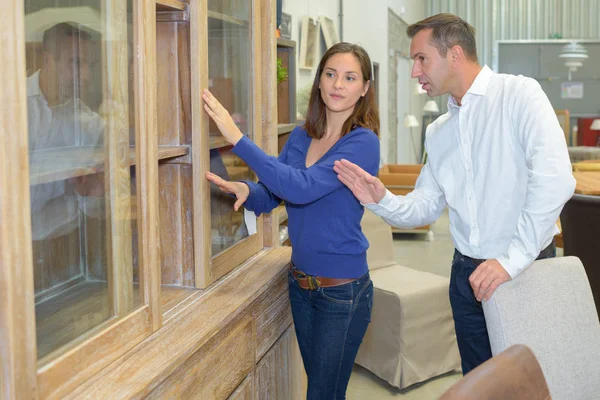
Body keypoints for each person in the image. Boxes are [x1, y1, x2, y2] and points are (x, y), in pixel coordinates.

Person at [333, 13, 576, 375]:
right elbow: (426, 205)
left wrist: (509, 261)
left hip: (523, 269)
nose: (415, 71)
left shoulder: (519, 95)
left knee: (530, 381)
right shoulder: (440, 131)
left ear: (455, 55)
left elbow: (555, 180)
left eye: (421, 59)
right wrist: (381, 198)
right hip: (465, 276)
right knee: (479, 382)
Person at [203, 42, 380, 399]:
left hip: (342, 292)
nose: (337, 85)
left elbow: (302, 187)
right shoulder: (301, 136)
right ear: (318, 81)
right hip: (301, 287)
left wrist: (237, 139)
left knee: (321, 395)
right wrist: (247, 191)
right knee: (323, 391)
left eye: (349, 77)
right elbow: (276, 191)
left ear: (364, 88)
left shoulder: (362, 143)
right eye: (330, 74)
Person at [28, 23, 105, 267]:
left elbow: (95, 205)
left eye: (88, 65)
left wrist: (95, 189)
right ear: (47, 59)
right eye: (75, 63)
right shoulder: (8, 105)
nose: (85, 75)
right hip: (10, 247)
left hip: (67, 251)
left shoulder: (89, 123)